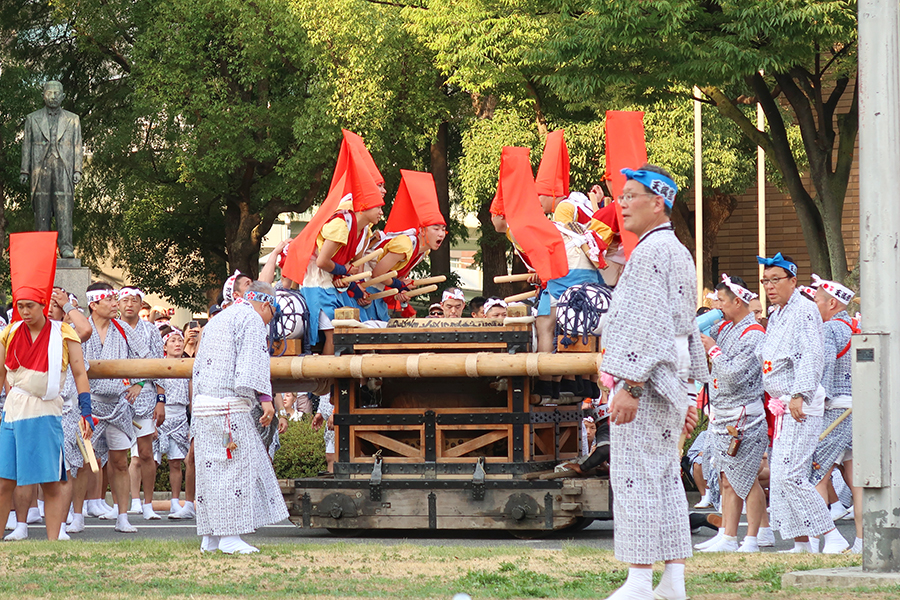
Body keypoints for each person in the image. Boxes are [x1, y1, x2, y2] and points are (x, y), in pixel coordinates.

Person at [600, 165, 707, 600]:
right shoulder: (676, 250)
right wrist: (689, 390)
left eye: (630, 196)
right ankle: (672, 579)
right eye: (620, 196)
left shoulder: (650, 253)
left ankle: (641, 579)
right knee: (663, 478)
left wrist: (631, 384)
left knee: (636, 478)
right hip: (670, 376)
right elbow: (685, 329)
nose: (621, 204)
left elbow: (650, 326)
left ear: (657, 201)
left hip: (647, 379)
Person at [0, 232, 92, 541]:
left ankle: (53, 541)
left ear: (42, 304)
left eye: (29, 306)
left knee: (52, 480)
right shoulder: (9, 333)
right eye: (19, 306)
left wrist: (87, 412)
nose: (24, 312)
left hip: (45, 412)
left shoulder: (63, 332)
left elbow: (80, 373)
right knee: (4, 480)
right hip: (12, 412)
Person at [756, 253, 848, 554]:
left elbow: (812, 354)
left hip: (800, 403)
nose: (769, 286)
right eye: (765, 281)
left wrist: (800, 393)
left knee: (792, 474)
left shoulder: (805, 310)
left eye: (775, 280)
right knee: (782, 476)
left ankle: (831, 534)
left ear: (793, 281)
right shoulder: (779, 313)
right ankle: (801, 541)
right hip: (781, 403)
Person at [191, 281, 289, 554]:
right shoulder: (251, 319)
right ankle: (229, 537)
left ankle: (210, 537)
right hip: (228, 407)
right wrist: (266, 400)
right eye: (274, 312)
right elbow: (251, 365)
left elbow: (198, 367)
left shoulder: (217, 319)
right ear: (267, 303)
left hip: (204, 406)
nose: (272, 319)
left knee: (211, 472)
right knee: (234, 472)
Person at [282, 130, 386, 353]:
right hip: (317, 281)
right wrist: (341, 272)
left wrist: (349, 283)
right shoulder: (341, 224)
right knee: (335, 335)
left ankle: (350, 384)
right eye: (379, 193)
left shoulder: (364, 230)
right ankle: (327, 385)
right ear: (365, 204)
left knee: (351, 332)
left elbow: (352, 266)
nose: (382, 207)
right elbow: (322, 262)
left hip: (333, 281)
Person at [698, 275, 769, 553]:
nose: (719, 306)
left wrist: (712, 350)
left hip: (745, 417)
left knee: (747, 478)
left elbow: (734, 374)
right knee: (727, 478)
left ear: (737, 302)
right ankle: (727, 536)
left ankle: (752, 537)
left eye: (723, 301)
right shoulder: (728, 327)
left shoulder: (753, 333)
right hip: (724, 413)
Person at [82, 281, 152, 533]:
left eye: (115, 299)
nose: (116, 304)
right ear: (94, 304)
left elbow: (146, 358)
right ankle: (78, 515)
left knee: (120, 462)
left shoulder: (122, 329)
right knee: (84, 462)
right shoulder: (79, 329)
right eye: (110, 300)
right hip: (89, 405)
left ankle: (122, 516)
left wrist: (139, 383)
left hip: (118, 405)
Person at [810, 275, 862, 554]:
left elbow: (825, 370)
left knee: (816, 474)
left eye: (816, 300)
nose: (814, 304)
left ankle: (824, 542)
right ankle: (864, 543)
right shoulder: (858, 325)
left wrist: (816, 403)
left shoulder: (830, 329)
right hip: (859, 407)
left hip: (834, 410)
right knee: (858, 481)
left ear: (831, 303)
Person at [364, 170, 448, 320]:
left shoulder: (423, 252)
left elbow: (396, 277)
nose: (441, 234)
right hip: (362, 285)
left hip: (376, 291)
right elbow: (378, 273)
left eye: (443, 229)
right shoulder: (405, 244)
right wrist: (399, 285)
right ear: (422, 230)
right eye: (436, 229)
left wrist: (401, 287)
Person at [118, 287, 166, 520]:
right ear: (117, 304)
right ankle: (126, 503)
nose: (129, 305)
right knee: (115, 454)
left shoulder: (151, 330)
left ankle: (147, 503)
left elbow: (158, 363)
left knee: (146, 452)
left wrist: (160, 399)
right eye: (125, 300)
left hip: (146, 394)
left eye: (134, 301)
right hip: (117, 393)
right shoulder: (113, 328)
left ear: (141, 305)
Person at [19, 82, 82, 258]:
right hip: (41, 169)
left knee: (64, 209)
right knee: (42, 208)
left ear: (63, 96)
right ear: (43, 96)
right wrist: (25, 170)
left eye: (57, 93)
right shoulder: (32, 118)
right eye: (49, 93)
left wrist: (78, 170)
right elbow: (26, 146)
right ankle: (43, 248)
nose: (53, 96)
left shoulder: (73, 119)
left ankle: (66, 246)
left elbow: (78, 145)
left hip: (64, 168)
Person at [154, 327, 192, 517]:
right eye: (173, 341)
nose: (177, 344)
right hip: (161, 414)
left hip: (179, 416)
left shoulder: (187, 365)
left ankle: (175, 501)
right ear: (165, 345)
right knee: (152, 461)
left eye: (180, 340)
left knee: (176, 462)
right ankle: (143, 502)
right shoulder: (159, 365)